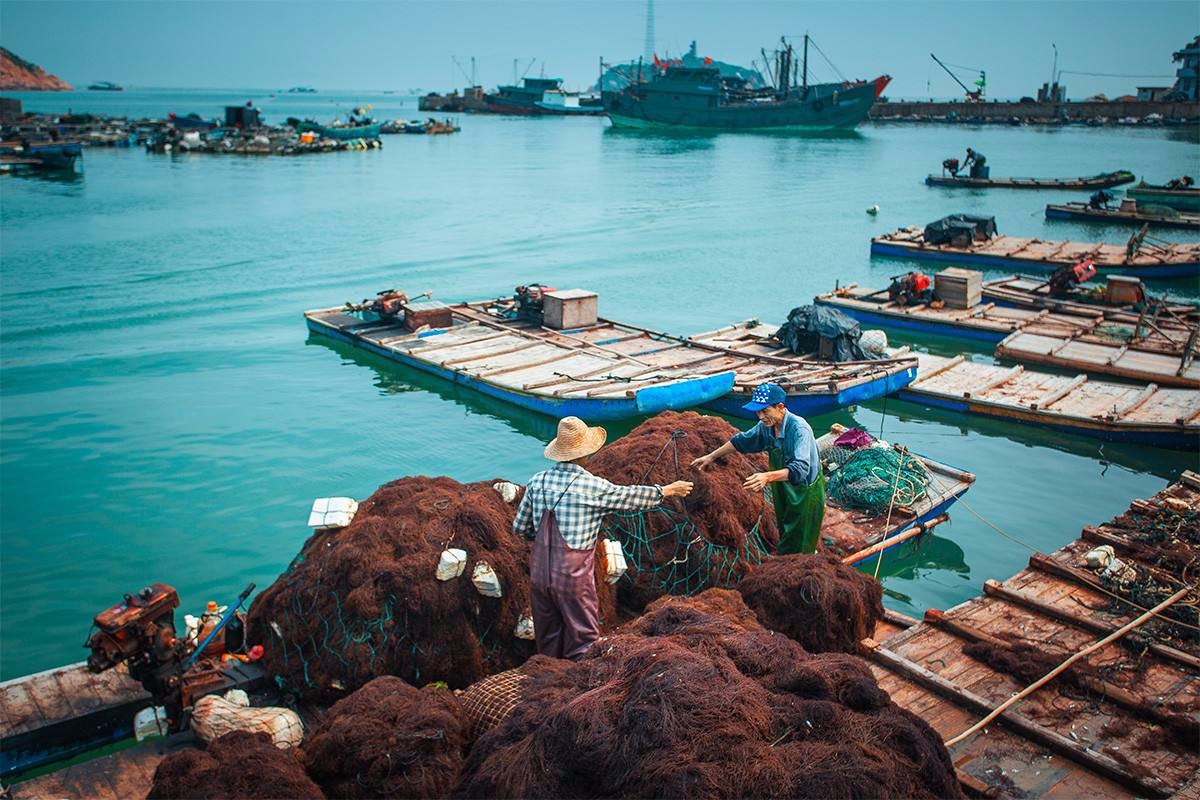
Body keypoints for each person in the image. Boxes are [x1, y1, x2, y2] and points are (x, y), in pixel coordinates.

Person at [513, 416, 693, 660]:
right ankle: (575, 688)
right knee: (583, 638)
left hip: (539, 575)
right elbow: (629, 497)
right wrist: (668, 490)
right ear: (583, 454)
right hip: (572, 578)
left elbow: (520, 528)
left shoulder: (537, 481)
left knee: (548, 636)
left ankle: (549, 675)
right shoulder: (591, 486)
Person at [691, 383, 825, 555]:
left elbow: (800, 470)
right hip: (784, 487)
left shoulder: (799, 429)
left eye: (765, 411)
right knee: (786, 529)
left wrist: (767, 477)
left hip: (805, 492)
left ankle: (804, 564)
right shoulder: (767, 426)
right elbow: (741, 440)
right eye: (757, 411)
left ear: (780, 407)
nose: (760, 416)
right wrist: (711, 456)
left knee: (801, 541)